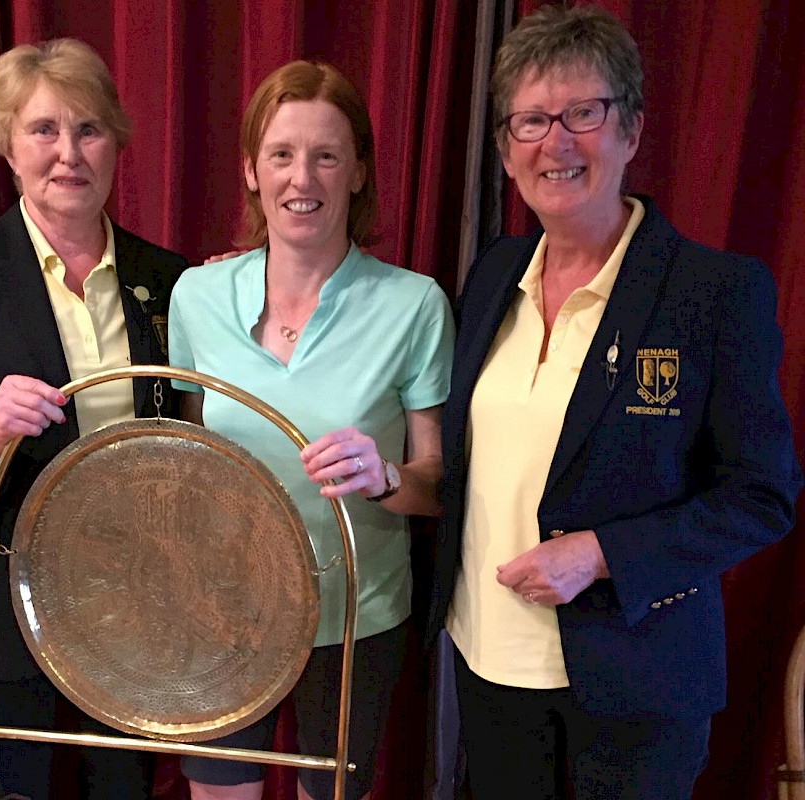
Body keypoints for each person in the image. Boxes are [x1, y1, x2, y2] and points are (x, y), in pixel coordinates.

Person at [427, 5, 803, 799]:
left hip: (639, 680)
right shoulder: (494, 274)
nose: (555, 142)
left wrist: (600, 553)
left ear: (630, 130)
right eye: (530, 120)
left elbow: (762, 497)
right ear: (504, 149)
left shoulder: (715, 294)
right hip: (489, 667)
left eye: (583, 113)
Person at [0, 39, 188, 800]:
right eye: (43, 130)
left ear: (116, 141)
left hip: (128, 618)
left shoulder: (170, 280)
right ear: (6, 146)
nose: (68, 153)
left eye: (88, 129)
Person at [167, 60, 455, 800]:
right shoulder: (196, 295)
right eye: (282, 155)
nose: (305, 177)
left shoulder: (414, 304)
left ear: (357, 172)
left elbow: (436, 489)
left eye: (327, 155)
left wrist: (386, 476)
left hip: (358, 619)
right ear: (251, 173)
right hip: (222, 615)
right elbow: (186, 460)